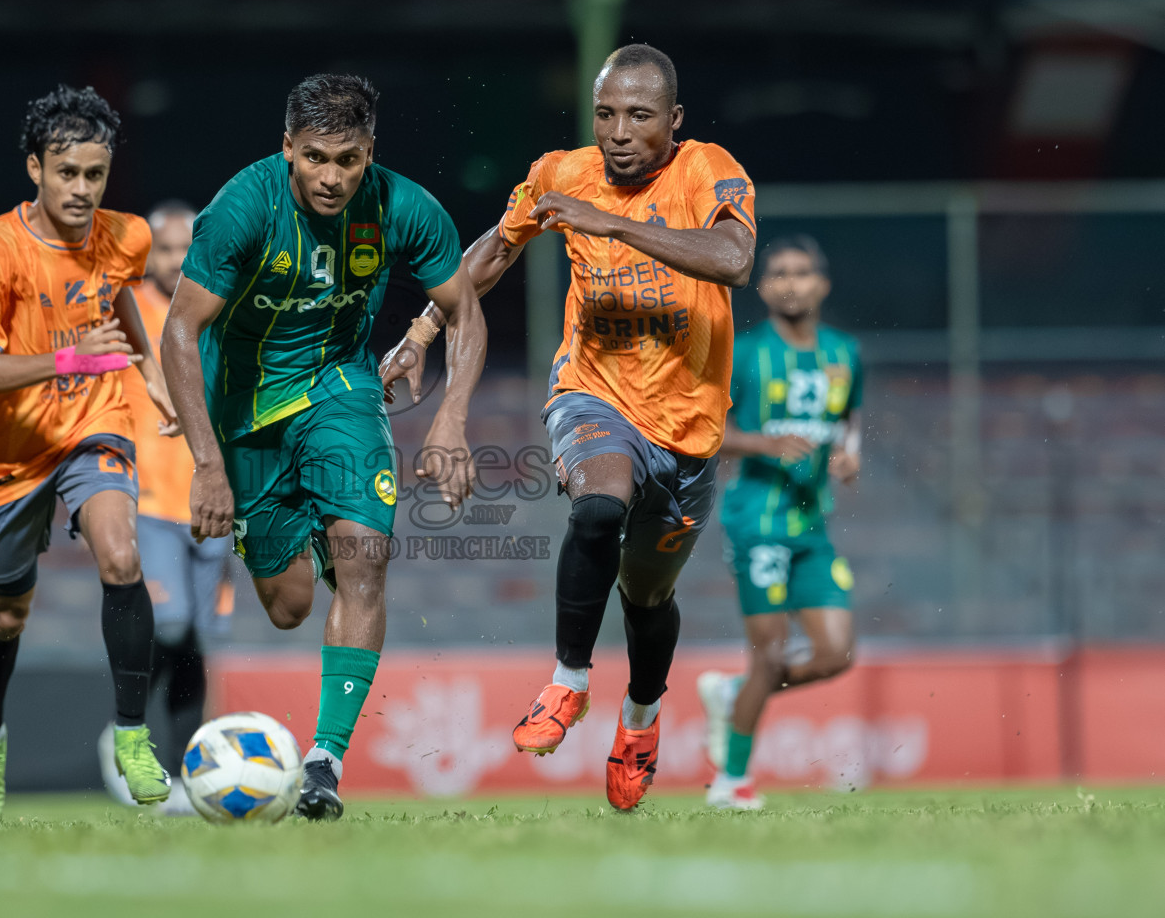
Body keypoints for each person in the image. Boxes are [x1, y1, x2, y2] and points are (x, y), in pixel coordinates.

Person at [381, 44, 756, 811]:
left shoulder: (707, 169)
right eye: (605, 114)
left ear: (674, 122)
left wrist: (612, 227)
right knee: (594, 506)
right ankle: (567, 681)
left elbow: (733, 258)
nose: (618, 131)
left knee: (648, 598)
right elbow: (490, 253)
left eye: (640, 117)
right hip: (593, 395)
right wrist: (420, 333)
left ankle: (640, 719)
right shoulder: (560, 172)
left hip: (686, 431)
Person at [161, 74, 486, 820]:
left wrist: (451, 418)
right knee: (287, 606)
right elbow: (180, 330)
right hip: (244, 417)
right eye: (314, 158)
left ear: (369, 151)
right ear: (287, 149)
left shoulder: (403, 208)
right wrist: (209, 465)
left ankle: (322, 763)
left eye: (347, 158)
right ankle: (314, 527)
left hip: (340, 388)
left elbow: (462, 309)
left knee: (365, 558)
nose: (332, 177)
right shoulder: (242, 207)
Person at [0, 85, 176, 821]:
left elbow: (119, 298)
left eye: (95, 174)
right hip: (13, 448)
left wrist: (150, 372)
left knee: (120, 557)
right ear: (35, 170)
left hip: (93, 422)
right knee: (7, 613)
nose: (81, 189)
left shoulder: (129, 236)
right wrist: (69, 360)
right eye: (66, 173)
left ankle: (133, 736)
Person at [698, 234, 862, 810]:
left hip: (812, 528)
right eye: (780, 273)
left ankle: (735, 694)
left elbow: (849, 418)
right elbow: (707, 432)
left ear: (822, 284)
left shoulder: (845, 353)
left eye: (802, 272)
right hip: (757, 522)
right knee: (769, 654)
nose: (791, 282)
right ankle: (731, 782)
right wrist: (765, 443)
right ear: (764, 287)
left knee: (836, 654)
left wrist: (849, 453)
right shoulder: (743, 353)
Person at [99, 201, 236, 817]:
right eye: (164, 249)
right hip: (149, 500)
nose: (176, 260)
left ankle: (182, 775)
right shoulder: (125, 310)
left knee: (197, 641)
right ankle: (125, 730)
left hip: (211, 503)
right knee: (173, 623)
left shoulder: (218, 311)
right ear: (145, 253)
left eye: (186, 248)